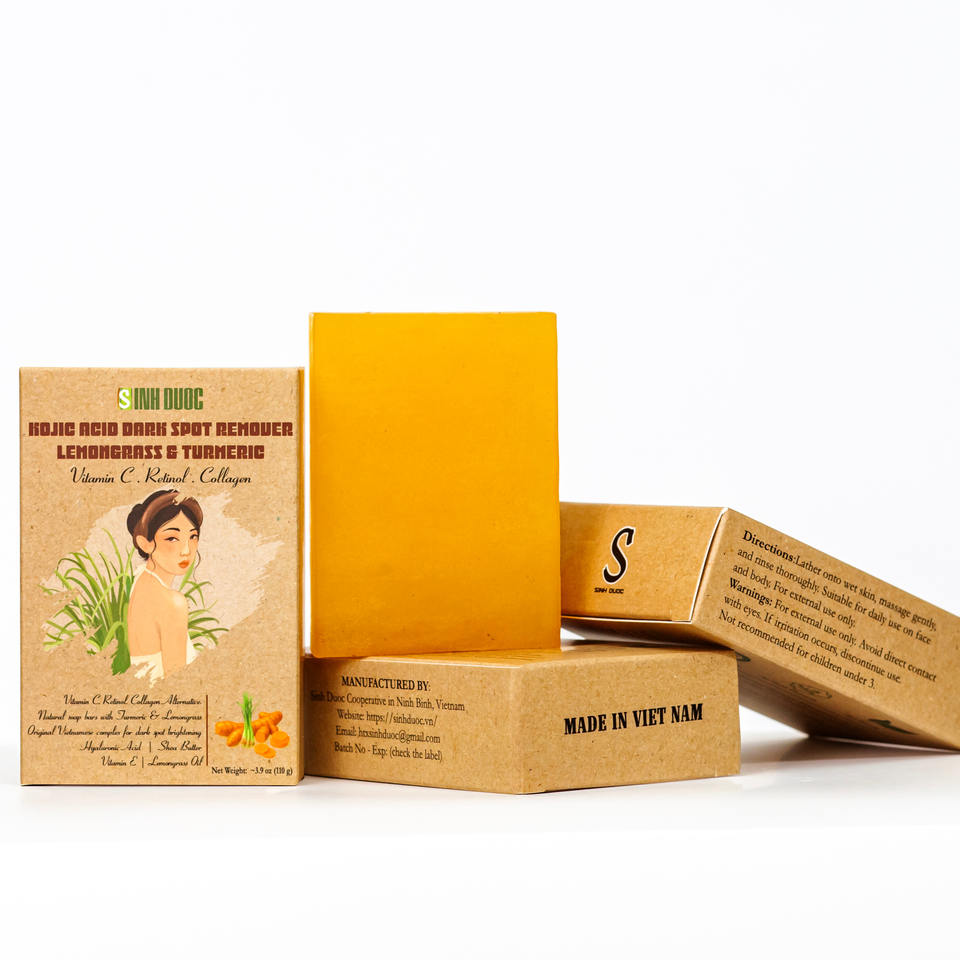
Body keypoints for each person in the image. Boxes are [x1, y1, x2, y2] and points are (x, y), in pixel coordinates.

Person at [125, 489, 203, 682]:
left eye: (193, 536)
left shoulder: (139, 581)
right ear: (145, 543)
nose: (186, 550)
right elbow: (176, 682)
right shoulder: (172, 602)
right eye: (172, 538)